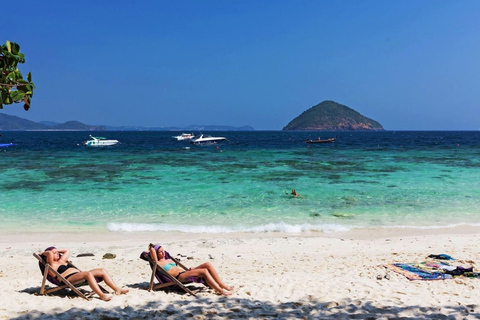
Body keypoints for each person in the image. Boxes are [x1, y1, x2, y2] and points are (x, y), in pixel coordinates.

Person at [41, 246, 129, 301]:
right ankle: (102, 295)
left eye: (57, 252)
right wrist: (44, 253)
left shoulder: (61, 260)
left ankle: (117, 289)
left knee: (102, 270)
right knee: (87, 274)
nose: (57, 254)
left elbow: (67, 250)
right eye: (54, 253)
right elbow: (48, 253)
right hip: (68, 279)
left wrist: (56, 250)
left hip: (79, 275)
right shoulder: (50, 266)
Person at [149, 243, 234, 296]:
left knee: (207, 264)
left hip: (186, 272)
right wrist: (152, 246)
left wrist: (191, 270)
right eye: (160, 252)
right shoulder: (158, 263)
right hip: (179, 277)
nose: (163, 253)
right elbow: (152, 251)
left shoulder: (168, 259)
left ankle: (222, 284)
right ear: (156, 254)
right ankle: (221, 291)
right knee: (204, 271)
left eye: (163, 250)